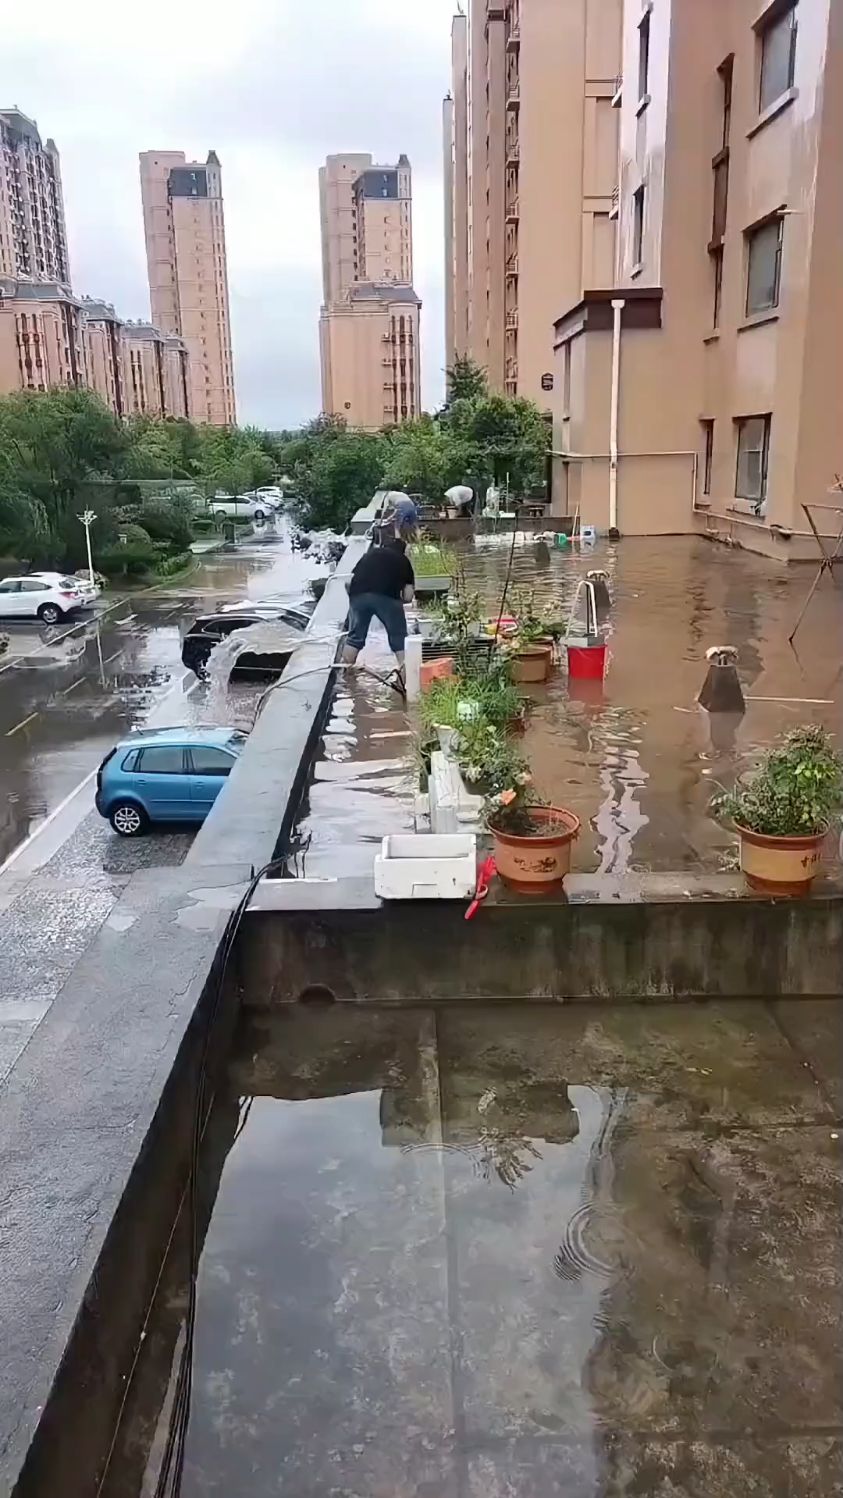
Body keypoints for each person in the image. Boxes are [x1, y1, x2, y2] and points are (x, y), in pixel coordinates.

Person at [342, 533, 415, 682]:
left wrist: (355, 599)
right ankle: (406, 679)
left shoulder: (370, 554)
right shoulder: (403, 560)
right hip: (387, 597)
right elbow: (408, 596)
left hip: (358, 596)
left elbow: (348, 582)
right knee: (399, 638)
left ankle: (346, 676)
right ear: (403, 550)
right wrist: (396, 604)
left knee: (355, 638)